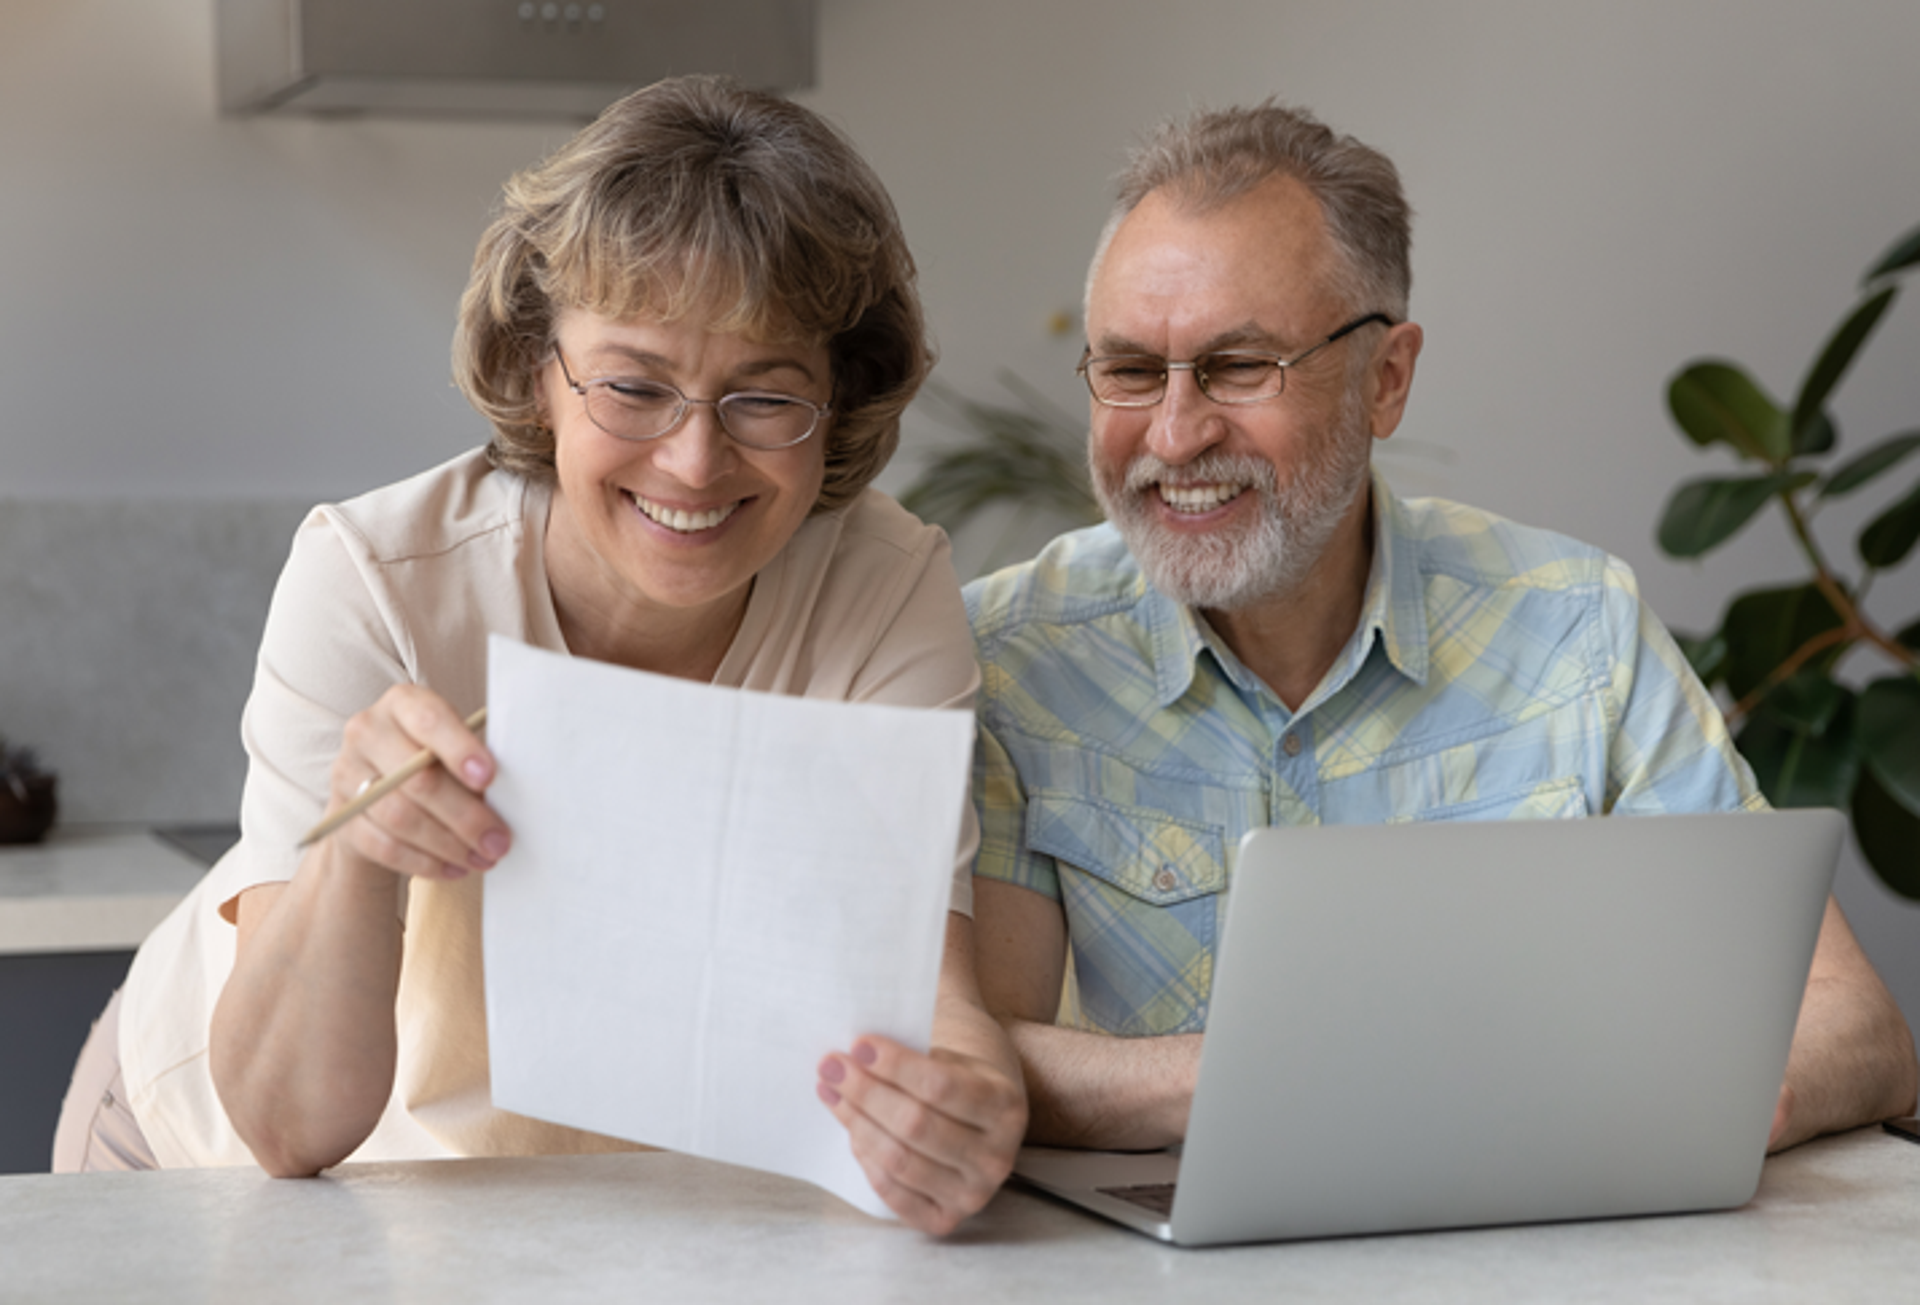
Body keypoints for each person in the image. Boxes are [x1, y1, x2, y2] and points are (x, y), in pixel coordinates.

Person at [53, 75, 1024, 1235]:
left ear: (840, 398)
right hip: (209, 1153)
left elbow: (931, 1000)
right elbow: (288, 1130)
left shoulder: (886, 589)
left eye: (765, 398)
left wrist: (963, 1109)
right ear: (535, 373)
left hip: (584, 1202)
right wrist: (357, 853)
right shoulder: (377, 581)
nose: (694, 462)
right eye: (635, 387)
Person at [965, 99, 1917, 1153]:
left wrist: (1674, 1106)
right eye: (1132, 372)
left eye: (1240, 367)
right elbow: (978, 1053)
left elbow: (1856, 1027)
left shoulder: (1578, 629)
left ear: (1386, 379)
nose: (1177, 434)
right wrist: (1282, 1076)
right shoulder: (1008, 656)